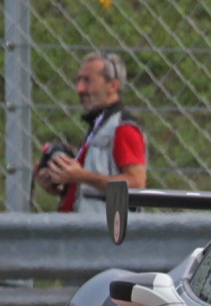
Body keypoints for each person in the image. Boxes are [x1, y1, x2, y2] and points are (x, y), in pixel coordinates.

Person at [34, 50, 147, 213]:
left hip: (106, 233)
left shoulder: (123, 128)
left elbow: (136, 183)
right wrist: (61, 186)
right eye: (79, 80)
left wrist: (81, 176)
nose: (79, 88)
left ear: (113, 86)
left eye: (88, 81)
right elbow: (93, 188)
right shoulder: (100, 126)